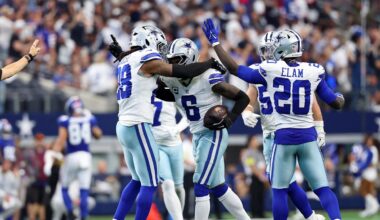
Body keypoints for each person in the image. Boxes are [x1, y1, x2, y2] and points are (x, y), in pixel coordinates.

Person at [202, 19, 344, 220]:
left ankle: (308, 215)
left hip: (282, 136)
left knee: (278, 190)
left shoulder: (269, 69)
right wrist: (339, 100)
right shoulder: (314, 70)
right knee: (323, 188)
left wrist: (216, 43)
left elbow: (234, 69)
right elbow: (334, 102)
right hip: (307, 136)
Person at [108, 25, 226, 220]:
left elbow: (135, 64)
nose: (161, 49)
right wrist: (209, 63)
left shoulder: (126, 60)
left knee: (137, 180)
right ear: (148, 41)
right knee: (150, 183)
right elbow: (182, 71)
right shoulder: (145, 59)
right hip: (138, 126)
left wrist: (121, 53)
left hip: (123, 125)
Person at [156, 38, 250, 220]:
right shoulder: (173, 80)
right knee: (219, 187)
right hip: (198, 136)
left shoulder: (209, 76)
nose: (173, 64)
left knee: (200, 185)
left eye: (177, 59)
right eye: (171, 60)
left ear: (188, 58)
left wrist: (231, 118)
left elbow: (243, 98)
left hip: (213, 134)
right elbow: (162, 92)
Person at [241, 31, 325, 220]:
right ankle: (310, 216)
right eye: (264, 50)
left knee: (281, 183)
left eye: (268, 50)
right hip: (271, 132)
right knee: (286, 182)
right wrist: (245, 110)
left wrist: (319, 128)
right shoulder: (260, 70)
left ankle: (309, 215)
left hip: (284, 133)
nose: (266, 54)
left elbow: (313, 104)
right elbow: (249, 97)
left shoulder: (294, 71)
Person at [53, 97, 102, 220]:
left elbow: (61, 139)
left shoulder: (65, 120)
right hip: (86, 156)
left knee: (64, 187)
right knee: (84, 190)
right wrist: (91, 123)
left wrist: (53, 153)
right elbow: (98, 134)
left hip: (72, 155)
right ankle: (84, 216)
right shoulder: (89, 118)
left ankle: (70, 212)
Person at [151, 94, 188, 220]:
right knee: (167, 184)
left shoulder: (171, 89)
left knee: (179, 187)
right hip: (156, 145)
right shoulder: (144, 89)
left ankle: (177, 216)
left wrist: (177, 128)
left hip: (174, 144)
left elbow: (188, 114)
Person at [349, 135, 379, 217]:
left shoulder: (373, 149)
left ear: (372, 141)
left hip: (370, 173)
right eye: (368, 140)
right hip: (365, 173)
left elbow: (372, 163)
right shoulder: (366, 149)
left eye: (370, 140)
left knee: (364, 190)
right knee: (368, 191)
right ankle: (369, 209)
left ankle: (375, 205)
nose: (369, 142)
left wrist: (359, 167)